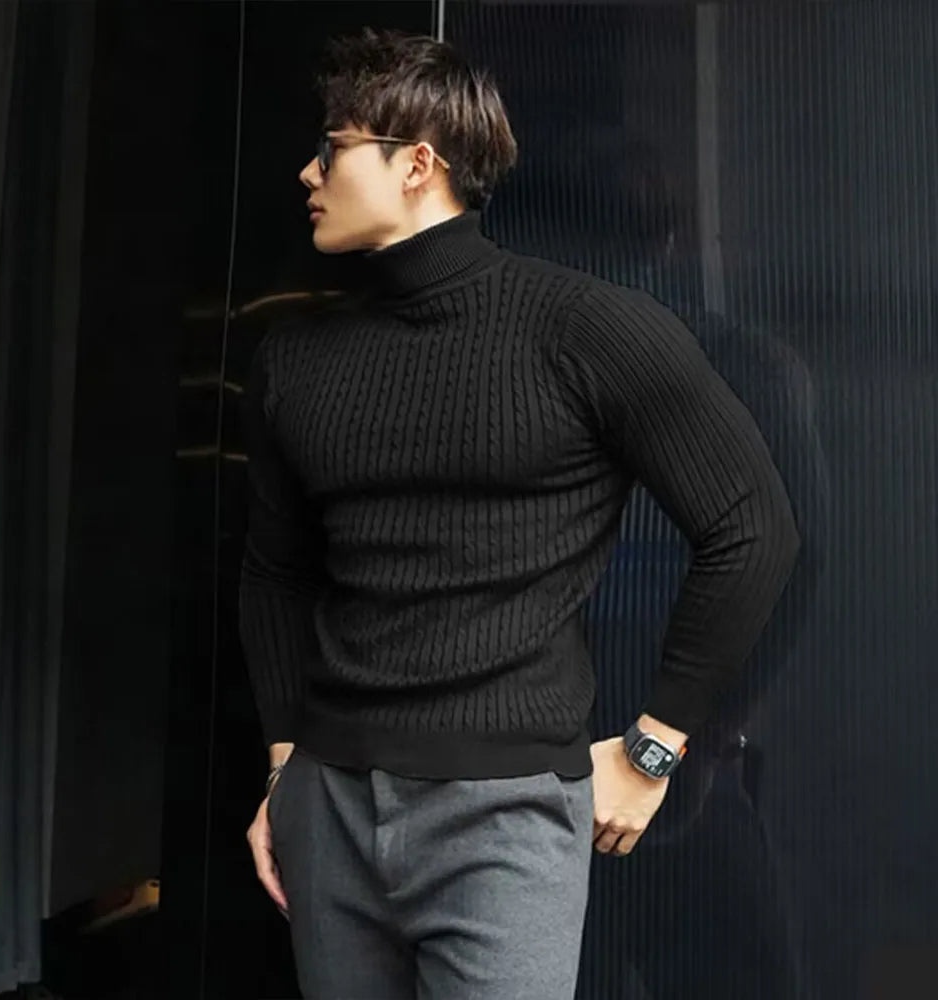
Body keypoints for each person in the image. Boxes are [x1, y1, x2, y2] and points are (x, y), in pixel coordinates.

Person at [239, 26, 799, 1000]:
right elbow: (275, 570)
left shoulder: (587, 331)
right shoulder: (294, 359)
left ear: (418, 164)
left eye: (332, 148)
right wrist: (286, 767)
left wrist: (658, 746)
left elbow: (755, 529)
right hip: (328, 803)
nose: (308, 172)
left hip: (503, 813)